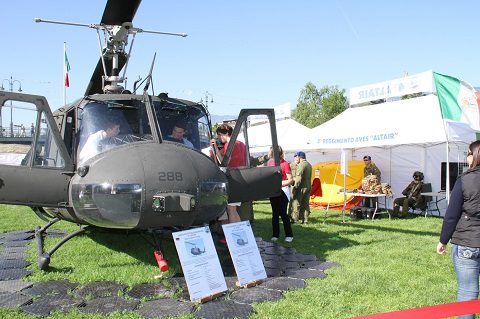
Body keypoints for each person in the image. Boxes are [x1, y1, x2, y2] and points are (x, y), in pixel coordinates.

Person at [437, 140, 480, 319]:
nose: (467, 157)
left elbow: (452, 215)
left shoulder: (465, 180)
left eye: (469, 154)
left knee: (467, 292)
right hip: (468, 240)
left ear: (475, 156)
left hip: (467, 243)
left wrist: (442, 240)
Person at [210, 123, 247, 225]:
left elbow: (224, 162)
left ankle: (236, 235)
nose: (218, 138)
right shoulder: (242, 144)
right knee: (230, 209)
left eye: (219, 135)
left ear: (225, 133)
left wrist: (216, 150)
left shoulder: (229, 145)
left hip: (232, 179)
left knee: (231, 210)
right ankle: (229, 236)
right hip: (240, 177)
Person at [267, 146, 294, 242]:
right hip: (273, 191)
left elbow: (290, 180)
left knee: (283, 213)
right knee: (275, 213)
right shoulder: (270, 163)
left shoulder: (285, 164)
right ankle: (275, 234)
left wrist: (279, 184)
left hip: (283, 190)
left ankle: (289, 235)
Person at [292, 151, 312, 224]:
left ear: (300, 157)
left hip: (302, 187)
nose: (296, 158)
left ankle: (295, 220)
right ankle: (305, 220)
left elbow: (298, 178)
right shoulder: (309, 164)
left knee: (296, 203)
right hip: (308, 186)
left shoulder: (301, 165)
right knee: (306, 204)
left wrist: (295, 188)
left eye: (297, 156)